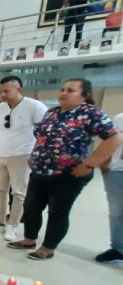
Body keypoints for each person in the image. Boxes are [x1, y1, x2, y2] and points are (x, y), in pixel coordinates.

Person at [7, 79, 121, 260]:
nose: (64, 93)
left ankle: (48, 248)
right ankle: (29, 239)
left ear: (85, 95)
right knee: (31, 207)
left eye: (71, 90)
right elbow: (42, 137)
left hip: (69, 174)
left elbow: (114, 139)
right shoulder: (52, 112)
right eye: (62, 89)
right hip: (40, 170)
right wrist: (33, 155)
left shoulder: (91, 113)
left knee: (57, 211)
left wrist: (90, 163)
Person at [0, 76, 48, 241]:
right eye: (1, 91)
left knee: (18, 192)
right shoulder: (0, 108)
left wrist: (36, 153)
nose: (3, 95)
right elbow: (4, 130)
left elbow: (45, 132)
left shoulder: (34, 106)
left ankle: (13, 226)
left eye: (6, 91)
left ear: (19, 90)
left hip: (22, 155)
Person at [96, 112, 123, 263]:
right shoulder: (120, 118)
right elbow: (110, 140)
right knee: (116, 212)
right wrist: (103, 162)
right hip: (116, 170)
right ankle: (118, 249)